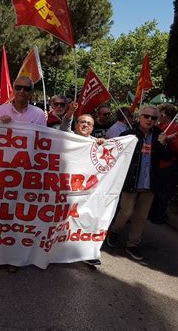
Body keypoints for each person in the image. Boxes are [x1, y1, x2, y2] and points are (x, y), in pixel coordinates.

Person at [0, 76, 46, 272]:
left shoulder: (39, 114)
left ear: (31, 92)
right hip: (3, 172)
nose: (22, 91)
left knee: (20, 216)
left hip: (27, 173)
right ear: (13, 89)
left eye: (26, 88)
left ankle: (14, 258)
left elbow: (45, 142)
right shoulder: (0, 111)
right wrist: (0, 126)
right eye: (18, 87)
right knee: (2, 214)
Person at [106, 105, 170, 261]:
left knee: (141, 216)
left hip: (149, 184)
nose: (149, 120)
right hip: (131, 182)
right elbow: (116, 154)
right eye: (146, 116)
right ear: (140, 117)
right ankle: (115, 230)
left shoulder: (160, 136)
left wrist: (163, 144)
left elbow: (166, 157)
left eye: (154, 118)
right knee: (126, 212)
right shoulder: (129, 134)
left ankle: (132, 244)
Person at [60, 102, 105, 266]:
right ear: (76, 124)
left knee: (87, 219)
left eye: (89, 123)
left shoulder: (97, 144)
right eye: (82, 122)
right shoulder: (67, 136)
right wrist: (70, 113)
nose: (85, 125)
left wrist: (102, 145)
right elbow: (65, 126)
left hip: (86, 191)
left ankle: (88, 252)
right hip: (65, 187)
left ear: (93, 128)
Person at [148, 103, 178, 224]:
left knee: (162, 192)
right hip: (156, 164)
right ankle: (152, 213)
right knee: (154, 190)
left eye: (161, 114)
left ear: (167, 115)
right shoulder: (159, 126)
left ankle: (159, 216)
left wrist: (168, 140)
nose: (159, 117)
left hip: (167, 165)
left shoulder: (177, 128)